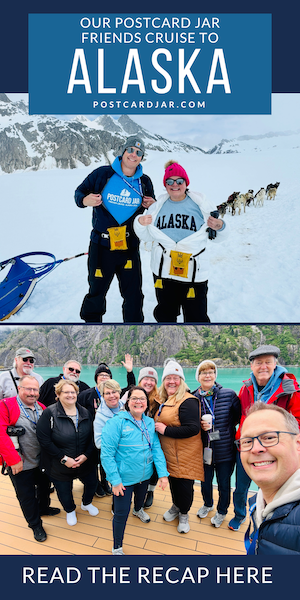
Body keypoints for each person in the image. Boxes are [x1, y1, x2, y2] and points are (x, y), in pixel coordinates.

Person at [75, 136, 156, 323]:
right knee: (96, 292)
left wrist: (151, 204)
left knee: (134, 294)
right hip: (101, 245)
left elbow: (151, 211)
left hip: (129, 246)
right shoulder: (102, 174)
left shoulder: (144, 182)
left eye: (138, 153)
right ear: (123, 151)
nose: (133, 155)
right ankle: (91, 325)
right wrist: (85, 200)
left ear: (142, 158)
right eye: (130, 150)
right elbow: (79, 193)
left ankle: (134, 327)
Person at [134, 160, 227, 322]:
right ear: (165, 184)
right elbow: (148, 236)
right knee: (165, 314)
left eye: (179, 181)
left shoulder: (201, 205)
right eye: (169, 181)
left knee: (196, 317)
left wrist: (221, 226)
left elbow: (218, 236)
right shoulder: (158, 206)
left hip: (193, 273)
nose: (174, 185)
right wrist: (140, 224)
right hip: (164, 272)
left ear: (186, 182)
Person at [229, 344, 300, 531]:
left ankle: (270, 523)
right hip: (246, 447)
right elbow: (239, 416)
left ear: (275, 364)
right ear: (252, 366)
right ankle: (240, 514)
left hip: (274, 448)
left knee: (275, 488)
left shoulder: (290, 389)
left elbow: (297, 422)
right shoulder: (246, 388)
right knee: (241, 487)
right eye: (258, 362)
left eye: (268, 362)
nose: (263, 367)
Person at [101, 386, 169, 555]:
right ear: (128, 402)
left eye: (142, 399)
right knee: (121, 513)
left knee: (141, 499)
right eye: (135, 398)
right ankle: (117, 547)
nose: (139, 401)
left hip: (144, 475)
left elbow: (156, 449)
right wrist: (115, 481)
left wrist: (162, 474)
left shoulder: (149, 422)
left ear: (146, 403)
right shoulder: (116, 423)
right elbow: (107, 454)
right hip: (124, 480)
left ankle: (138, 510)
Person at [0, 375, 60, 542]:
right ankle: (35, 524)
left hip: (41, 460)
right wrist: (13, 460)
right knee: (26, 495)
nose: (32, 393)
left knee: (43, 487)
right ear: (19, 389)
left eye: (35, 390)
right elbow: (1, 434)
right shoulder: (6, 406)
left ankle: (43, 508)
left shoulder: (41, 407)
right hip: (20, 462)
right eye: (28, 389)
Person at [237, 402, 300, 554]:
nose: (256, 448)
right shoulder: (257, 502)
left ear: (298, 443)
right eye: (247, 442)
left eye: (270, 437)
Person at [36, 379, 98, 526]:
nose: (71, 395)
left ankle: (86, 503)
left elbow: (92, 437)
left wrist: (86, 455)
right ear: (58, 394)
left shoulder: (85, 412)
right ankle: (70, 510)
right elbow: (44, 440)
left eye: (73, 392)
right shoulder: (49, 413)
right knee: (64, 491)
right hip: (59, 463)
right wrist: (63, 459)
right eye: (66, 392)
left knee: (92, 482)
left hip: (84, 460)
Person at [155, 359, 204, 533]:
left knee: (184, 486)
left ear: (182, 381)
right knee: (175, 483)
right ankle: (176, 506)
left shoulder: (187, 400)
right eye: (168, 378)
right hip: (171, 453)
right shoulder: (166, 399)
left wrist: (165, 430)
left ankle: (184, 514)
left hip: (185, 454)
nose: (172, 382)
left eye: (176, 378)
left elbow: (192, 428)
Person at [192, 360, 241, 527]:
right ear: (198, 377)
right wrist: (200, 425)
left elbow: (237, 418)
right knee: (205, 482)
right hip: (204, 450)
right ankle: (207, 504)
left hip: (225, 449)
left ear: (215, 375)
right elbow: (190, 424)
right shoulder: (193, 398)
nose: (207, 375)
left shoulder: (228, 394)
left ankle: (222, 511)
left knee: (224, 483)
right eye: (203, 372)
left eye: (211, 371)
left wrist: (223, 429)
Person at [121, 366, 161, 508]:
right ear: (140, 380)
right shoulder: (130, 394)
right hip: (133, 439)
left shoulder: (159, 397)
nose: (149, 382)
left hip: (153, 437)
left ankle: (150, 492)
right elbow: (121, 413)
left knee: (153, 466)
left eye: (152, 380)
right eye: (146, 379)